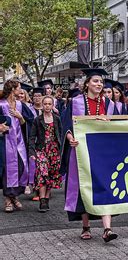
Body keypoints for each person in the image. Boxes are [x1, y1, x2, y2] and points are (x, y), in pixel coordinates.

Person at [61, 68, 119, 242]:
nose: (99, 84)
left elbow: (118, 126)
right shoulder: (76, 102)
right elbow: (66, 124)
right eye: (95, 81)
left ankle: (107, 229)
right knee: (83, 186)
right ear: (87, 84)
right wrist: (70, 138)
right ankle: (85, 226)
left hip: (102, 151)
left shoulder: (109, 104)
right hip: (80, 151)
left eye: (101, 82)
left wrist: (107, 122)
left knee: (105, 186)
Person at [0, 79, 34, 212]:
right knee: (7, 172)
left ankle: (14, 197)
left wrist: (20, 117)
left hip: (20, 143)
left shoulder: (20, 105)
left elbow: (30, 121)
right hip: (4, 143)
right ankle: (9, 199)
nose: (21, 90)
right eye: (19, 87)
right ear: (13, 89)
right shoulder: (1, 105)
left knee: (20, 169)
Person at [28, 95, 62, 212]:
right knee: (42, 173)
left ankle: (46, 198)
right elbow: (32, 137)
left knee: (52, 175)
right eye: (45, 104)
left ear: (53, 105)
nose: (47, 106)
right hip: (42, 149)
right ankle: (42, 200)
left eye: (49, 104)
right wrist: (32, 151)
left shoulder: (57, 118)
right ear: (42, 105)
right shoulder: (38, 120)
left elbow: (61, 134)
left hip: (54, 150)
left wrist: (61, 149)